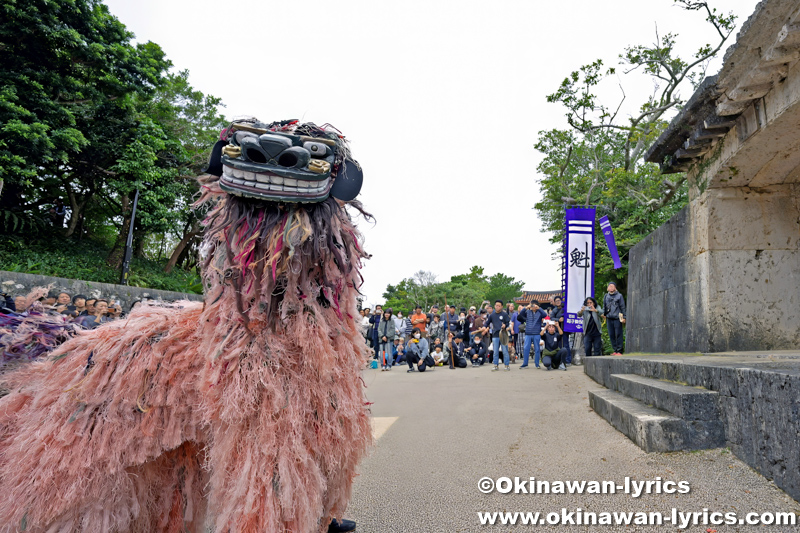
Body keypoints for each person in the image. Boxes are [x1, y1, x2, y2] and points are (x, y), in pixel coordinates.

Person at [517, 301, 547, 369]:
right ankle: (525, 364)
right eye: (532, 305)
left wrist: (539, 308)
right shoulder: (528, 312)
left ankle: (537, 364)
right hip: (528, 333)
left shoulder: (539, 312)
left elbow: (545, 315)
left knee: (537, 349)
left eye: (535, 305)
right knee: (526, 348)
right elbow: (521, 314)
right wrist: (526, 307)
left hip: (536, 333)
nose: (533, 306)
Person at [603, 282, 626, 355]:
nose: (611, 287)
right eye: (609, 286)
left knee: (618, 334)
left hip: (617, 317)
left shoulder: (619, 296)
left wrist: (624, 317)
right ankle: (615, 350)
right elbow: (604, 306)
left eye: (612, 286)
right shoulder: (606, 296)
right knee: (611, 334)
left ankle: (619, 350)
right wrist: (604, 314)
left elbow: (622, 307)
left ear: (615, 287)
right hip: (609, 317)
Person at [487, 300, 511, 371]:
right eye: (496, 305)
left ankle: (506, 365)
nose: (497, 307)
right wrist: (484, 327)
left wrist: (505, 325)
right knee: (495, 351)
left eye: (499, 306)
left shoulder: (504, 314)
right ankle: (495, 365)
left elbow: (507, 323)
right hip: (495, 335)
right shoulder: (492, 315)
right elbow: (487, 323)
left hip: (503, 335)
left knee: (505, 351)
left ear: (501, 307)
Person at [551, 296, 571, 364]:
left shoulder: (565, 308)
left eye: (559, 300)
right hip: (558, 330)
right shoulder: (554, 310)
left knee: (566, 345)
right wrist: (558, 320)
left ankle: (568, 360)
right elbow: (551, 318)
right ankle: (559, 361)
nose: (558, 302)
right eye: (556, 301)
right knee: (558, 345)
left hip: (565, 329)